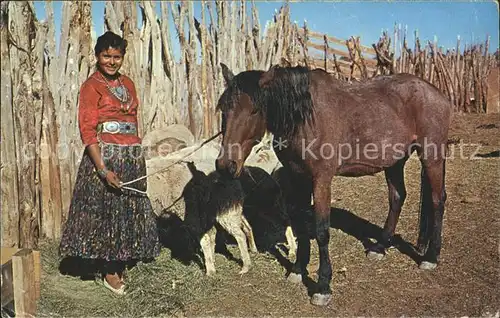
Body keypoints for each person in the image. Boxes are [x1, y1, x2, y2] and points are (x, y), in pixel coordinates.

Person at [59, 31, 160, 295]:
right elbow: (88, 132)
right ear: (97, 56)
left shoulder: (128, 83)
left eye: (117, 56)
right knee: (106, 214)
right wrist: (103, 170)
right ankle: (109, 271)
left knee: (126, 211)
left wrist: (136, 153)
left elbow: (133, 121)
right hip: (105, 158)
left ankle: (121, 258)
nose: (112, 61)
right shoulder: (91, 86)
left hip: (130, 155)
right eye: (106, 56)